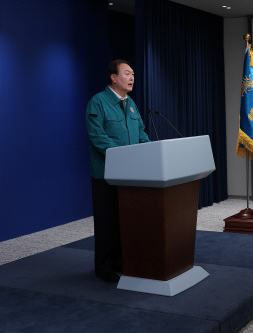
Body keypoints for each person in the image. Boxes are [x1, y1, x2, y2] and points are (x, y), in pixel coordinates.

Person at [86, 59, 151, 282]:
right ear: (113, 77)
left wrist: (152, 150)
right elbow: (98, 137)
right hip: (107, 174)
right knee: (108, 222)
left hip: (130, 174)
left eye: (133, 73)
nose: (132, 77)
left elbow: (141, 133)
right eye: (127, 73)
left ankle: (122, 262)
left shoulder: (131, 103)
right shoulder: (98, 102)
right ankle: (104, 267)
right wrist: (124, 158)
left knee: (126, 222)